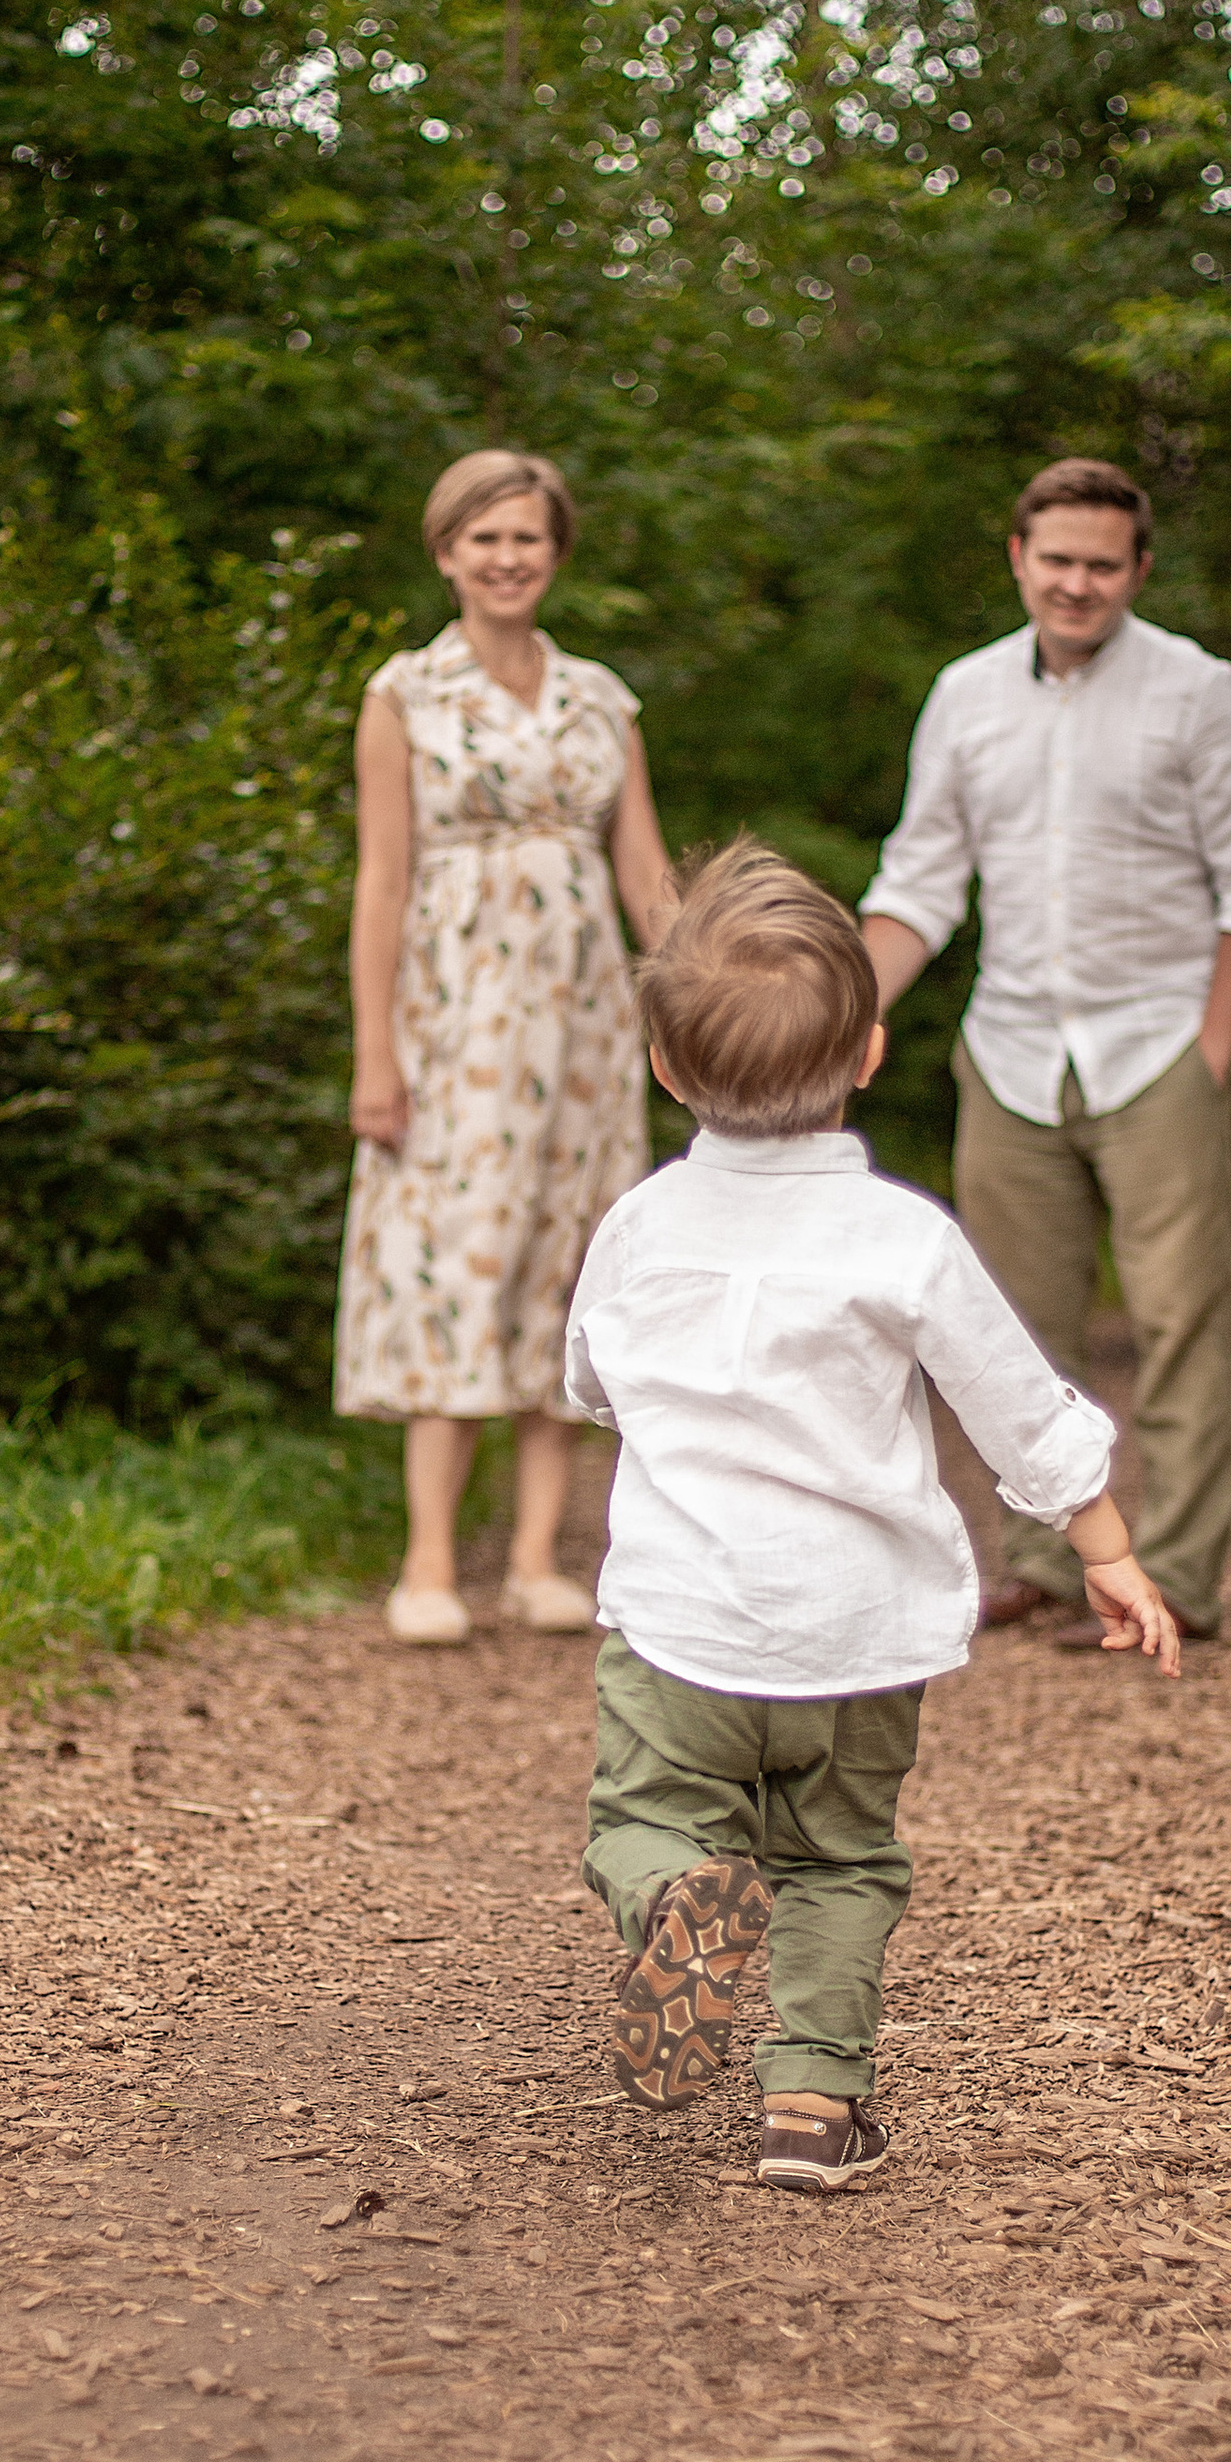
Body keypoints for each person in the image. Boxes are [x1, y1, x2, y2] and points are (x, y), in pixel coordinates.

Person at [565, 841, 1177, 2195]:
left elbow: (590, 1379)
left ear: (667, 1068)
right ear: (869, 1054)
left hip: (683, 1626)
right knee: (841, 1858)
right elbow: (1016, 1404)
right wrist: (1107, 1551)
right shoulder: (903, 1238)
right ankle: (812, 2108)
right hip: (858, 1631)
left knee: (645, 1817)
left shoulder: (640, 1226)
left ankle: (678, 1899)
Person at [859, 454, 1231, 1645]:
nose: (1077, 583)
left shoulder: (1203, 697)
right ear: (1018, 558)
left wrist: (1210, 1053)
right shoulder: (963, 696)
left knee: (1178, 1322)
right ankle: (1045, 1568)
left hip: (1157, 1051)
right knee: (1009, 1325)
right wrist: (849, 1005)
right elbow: (921, 878)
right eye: (1056, 560)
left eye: (1103, 564)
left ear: (1139, 570)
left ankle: (1187, 1584)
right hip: (1006, 1055)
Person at [335, 449, 676, 1647]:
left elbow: (643, 873)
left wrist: (707, 1019)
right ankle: (429, 1561)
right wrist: (376, 1055)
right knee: (453, 1260)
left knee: (567, 1262)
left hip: (582, 1029)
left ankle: (537, 1558)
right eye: (483, 537)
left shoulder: (601, 699)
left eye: (526, 536)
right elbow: (380, 883)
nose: (506, 556)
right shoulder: (404, 695)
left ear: (555, 552)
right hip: (453, 1019)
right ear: (445, 552)